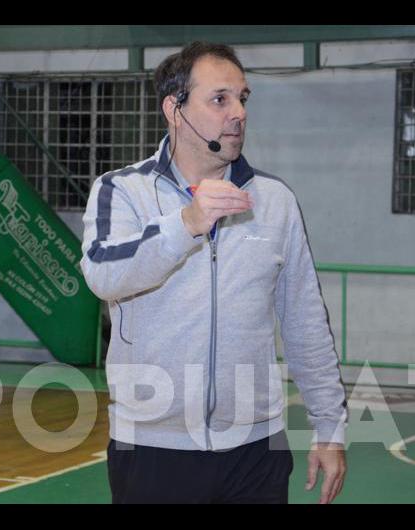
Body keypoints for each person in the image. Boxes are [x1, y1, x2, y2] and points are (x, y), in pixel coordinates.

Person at [80, 41, 347, 504]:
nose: (238, 113)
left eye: (243, 98)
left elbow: (305, 321)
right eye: (219, 99)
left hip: (256, 451)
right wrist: (185, 225)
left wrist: (330, 427)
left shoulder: (274, 200)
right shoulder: (122, 191)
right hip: (151, 447)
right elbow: (103, 274)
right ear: (174, 109)